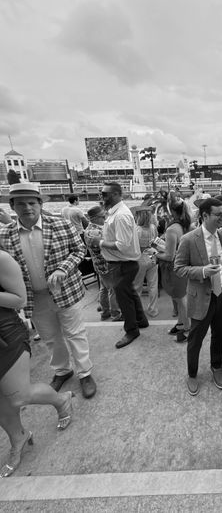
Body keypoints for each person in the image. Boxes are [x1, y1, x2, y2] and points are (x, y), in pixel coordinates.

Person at [0, 183, 96, 399]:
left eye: (32, 202)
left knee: (75, 333)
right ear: (12, 206)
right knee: (50, 337)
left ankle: (85, 372)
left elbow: (80, 249)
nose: (27, 208)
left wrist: (64, 268)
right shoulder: (4, 235)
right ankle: (62, 370)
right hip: (34, 297)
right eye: (21, 203)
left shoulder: (60, 224)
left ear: (40, 204)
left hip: (66, 291)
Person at [0, 248, 74, 478]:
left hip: (5, 335)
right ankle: (18, 438)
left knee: (19, 396)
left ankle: (61, 400)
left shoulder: (1, 258)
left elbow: (19, 299)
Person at [174, 198, 222, 396]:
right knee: (196, 339)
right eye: (218, 215)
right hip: (201, 296)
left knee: (219, 334)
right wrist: (202, 271)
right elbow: (179, 268)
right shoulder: (189, 239)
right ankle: (192, 374)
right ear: (204, 215)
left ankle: (216, 366)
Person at [89, 182, 149, 349]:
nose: (102, 197)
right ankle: (141, 320)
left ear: (116, 194)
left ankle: (131, 330)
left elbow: (122, 244)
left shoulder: (120, 215)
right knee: (129, 293)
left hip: (122, 264)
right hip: (123, 263)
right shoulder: (115, 213)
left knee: (124, 299)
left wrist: (99, 242)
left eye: (105, 194)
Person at [156, 193, 193, 342]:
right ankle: (181, 323)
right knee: (182, 298)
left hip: (174, 269)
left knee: (180, 299)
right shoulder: (186, 225)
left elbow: (169, 256)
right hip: (184, 265)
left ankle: (185, 328)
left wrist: (155, 253)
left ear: (170, 212)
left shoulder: (172, 229)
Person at [84, 205, 121, 321]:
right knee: (113, 290)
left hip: (99, 265)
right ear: (95, 218)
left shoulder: (89, 229)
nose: (105, 218)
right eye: (103, 216)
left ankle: (105, 312)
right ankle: (115, 314)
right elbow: (109, 247)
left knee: (104, 289)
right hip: (106, 264)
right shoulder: (96, 231)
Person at [133, 206, 159, 318]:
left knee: (137, 286)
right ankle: (153, 309)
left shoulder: (136, 230)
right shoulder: (153, 227)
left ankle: (138, 310)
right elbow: (156, 240)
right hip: (152, 255)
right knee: (153, 285)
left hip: (140, 257)